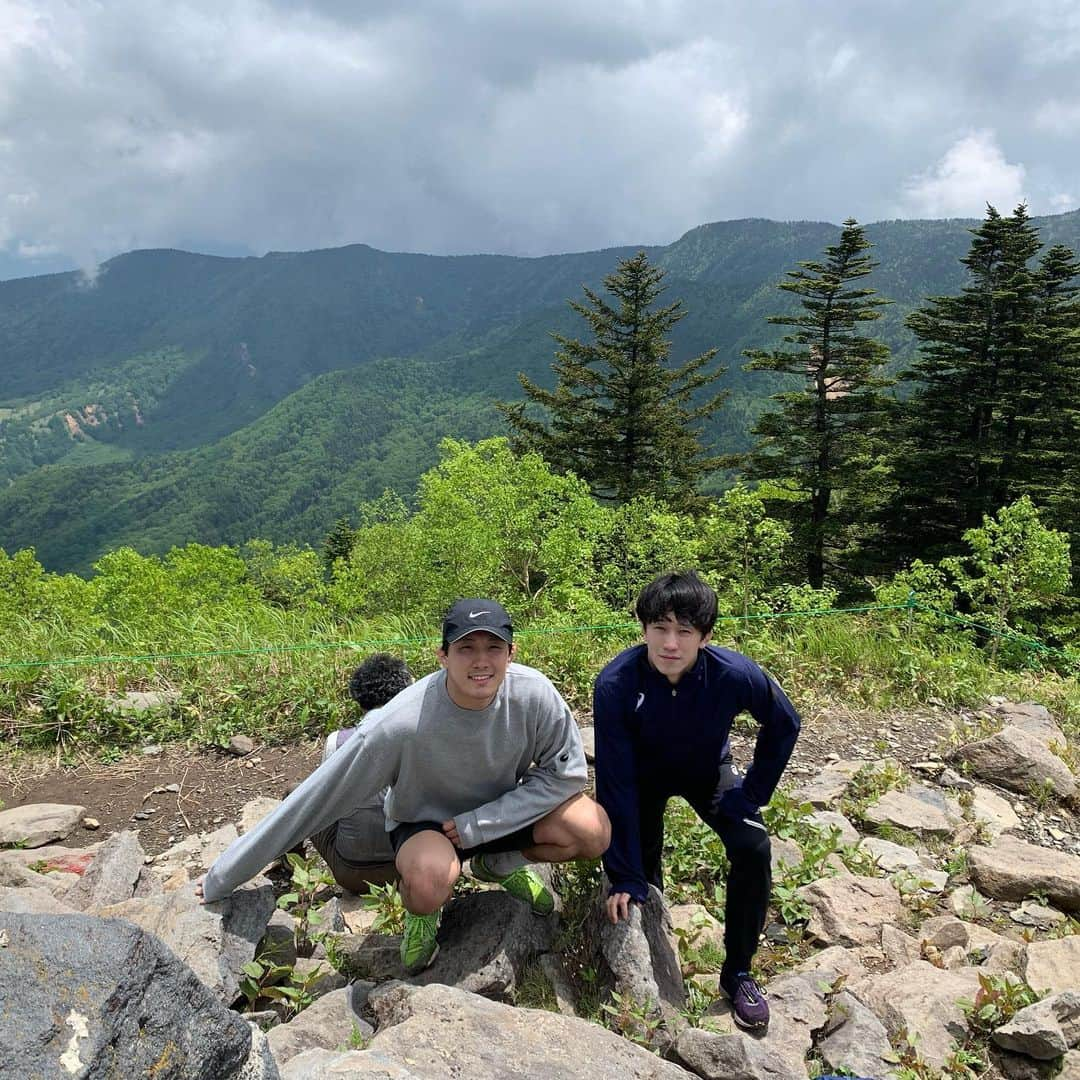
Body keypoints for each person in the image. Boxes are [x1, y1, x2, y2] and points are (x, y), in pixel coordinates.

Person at [198, 599, 611, 975]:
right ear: (443, 656)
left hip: (499, 815)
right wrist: (223, 875)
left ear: (511, 653)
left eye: (494, 648)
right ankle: (422, 917)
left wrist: (482, 825)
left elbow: (567, 774)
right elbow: (314, 800)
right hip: (425, 825)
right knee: (431, 878)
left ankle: (498, 864)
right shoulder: (399, 722)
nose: (481, 662)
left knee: (591, 828)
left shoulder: (533, 695)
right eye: (466, 648)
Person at [593, 571, 801, 1031]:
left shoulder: (733, 674)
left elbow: (784, 722)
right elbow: (615, 780)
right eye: (660, 628)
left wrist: (751, 794)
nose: (671, 643)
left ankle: (738, 972)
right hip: (642, 779)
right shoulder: (616, 683)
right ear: (643, 628)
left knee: (753, 848)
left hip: (708, 772)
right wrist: (622, 871)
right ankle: (651, 970)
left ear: (705, 637)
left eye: (685, 631)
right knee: (640, 880)